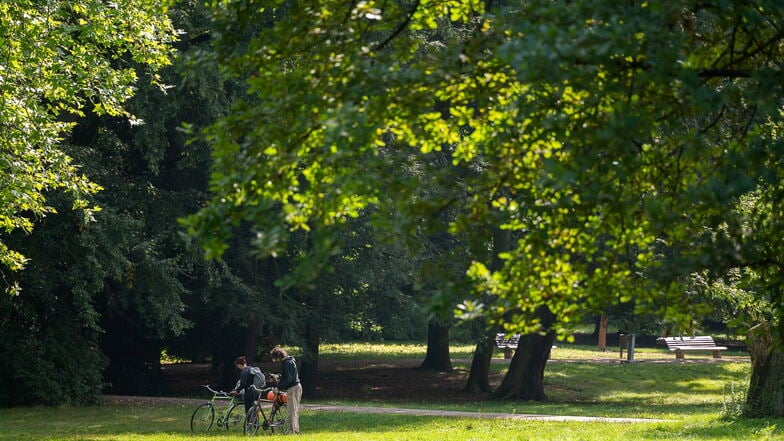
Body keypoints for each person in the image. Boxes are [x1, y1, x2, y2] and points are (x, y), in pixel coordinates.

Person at [270, 347, 302, 435]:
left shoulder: (287, 363)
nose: (276, 361)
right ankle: (296, 431)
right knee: (294, 410)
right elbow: (287, 376)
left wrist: (278, 388)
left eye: (276, 358)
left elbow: (288, 379)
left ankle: (292, 432)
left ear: (278, 356)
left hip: (293, 388)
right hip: (296, 387)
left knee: (291, 411)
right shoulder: (289, 361)